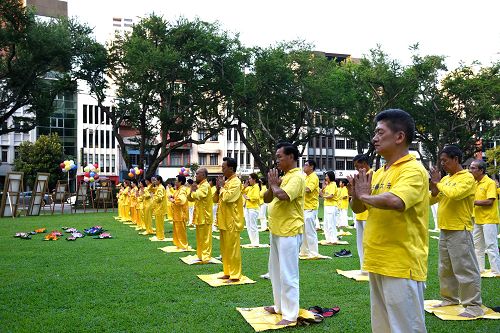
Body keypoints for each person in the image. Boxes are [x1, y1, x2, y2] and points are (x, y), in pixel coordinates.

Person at [349, 109, 429, 332]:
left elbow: (396, 201)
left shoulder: (413, 170)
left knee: (405, 327)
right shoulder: (380, 172)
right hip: (378, 259)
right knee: (382, 325)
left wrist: (365, 195)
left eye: (379, 132)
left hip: (402, 263)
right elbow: (359, 208)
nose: (374, 138)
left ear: (399, 137)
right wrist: (356, 194)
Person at [430, 145, 483, 317]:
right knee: (445, 268)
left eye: (445, 161)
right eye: (441, 161)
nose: (443, 164)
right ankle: (449, 298)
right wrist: (434, 187)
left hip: (460, 229)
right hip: (445, 229)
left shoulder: (467, 178)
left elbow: (455, 194)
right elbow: (433, 200)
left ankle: (474, 305)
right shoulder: (445, 179)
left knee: (465, 268)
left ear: (456, 159)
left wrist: (438, 183)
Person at [263, 142, 305, 326]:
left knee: (288, 274)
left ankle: (290, 314)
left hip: (289, 230)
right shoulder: (285, 176)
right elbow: (267, 198)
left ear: (291, 157)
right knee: (275, 271)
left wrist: (275, 186)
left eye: (280, 156)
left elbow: (284, 196)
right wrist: (271, 186)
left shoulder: (297, 177)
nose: (277, 160)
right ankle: (279, 306)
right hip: (277, 229)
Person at [213, 157, 244, 282]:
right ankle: (227, 272)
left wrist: (221, 188)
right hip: (223, 220)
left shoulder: (236, 182)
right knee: (225, 249)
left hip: (232, 221)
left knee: (233, 249)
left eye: (223, 168)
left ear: (231, 168)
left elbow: (228, 198)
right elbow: (215, 200)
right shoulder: (227, 183)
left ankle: (235, 275)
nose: (222, 170)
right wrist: (217, 189)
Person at [469, 159, 500, 276]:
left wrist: (473, 202)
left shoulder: (490, 183)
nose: (470, 170)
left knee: (491, 245)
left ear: (481, 170)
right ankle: (480, 269)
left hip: (489, 219)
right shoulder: (475, 183)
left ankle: (496, 271)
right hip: (477, 219)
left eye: (473, 168)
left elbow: (490, 202)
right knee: (477, 246)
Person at [188, 168, 214, 262]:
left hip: (205, 216)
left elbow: (199, 195)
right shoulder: (200, 185)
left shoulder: (205, 185)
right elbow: (190, 198)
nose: (196, 176)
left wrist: (193, 191)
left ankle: (206, 257)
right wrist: (192, 190)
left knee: (205, 238)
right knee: (200, 238)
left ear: (203, 175)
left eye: (197, 174)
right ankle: (200, 255)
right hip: (200, 216)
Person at [352, 154, 371, 274]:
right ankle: (363, 268)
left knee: (368, 243)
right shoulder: (359, 177)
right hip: (359, 214)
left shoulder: (373, 175)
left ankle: (369, 268)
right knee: (360, 243)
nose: (356, 169)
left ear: (364, 163)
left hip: (368, 214)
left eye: (357, 166)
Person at [300, 159, 319, 258]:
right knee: (303, 231)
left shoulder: (313, 177)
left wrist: (297, 188)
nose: (304, 166)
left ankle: (314, 253)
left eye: (306, 165)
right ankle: (304, 252)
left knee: (310, 231)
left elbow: (308, 189)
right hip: (304, 207)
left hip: (310, 207)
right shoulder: (305, 177)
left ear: (311, 167)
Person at [170, 175, 189, 250]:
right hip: (176, 214)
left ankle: (183, 245)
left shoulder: (182, 190)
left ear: (180, 182)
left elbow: (182, 200)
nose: (175, 182)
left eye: (176, 181)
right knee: (177, 230)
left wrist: (174, 201)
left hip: (181, 214)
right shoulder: (178, 189)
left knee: (181, 230)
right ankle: (178, 244)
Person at [320, 171, 339, 244]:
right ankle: (328, 239)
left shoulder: (333, 185)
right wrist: (323, 187)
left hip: (332, 206)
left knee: (331, 223)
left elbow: (331, 196)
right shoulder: (328, 185)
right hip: (327, 206)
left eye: (327, 176)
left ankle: (333, 239)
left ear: (330, 177)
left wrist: (324, 196)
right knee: (326, 223)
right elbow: (321, 194)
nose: (325, 178)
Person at [243, 173, 261, 246]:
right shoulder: (250, 187)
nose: (249, 180)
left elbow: (256, 197)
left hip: (253, 208)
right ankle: (252, 241)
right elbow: (243, 191)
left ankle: (256, 242)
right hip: (248, 207)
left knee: (253, 226)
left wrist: (248, 198)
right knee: (248, 225)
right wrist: (244, 187)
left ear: (254, 179)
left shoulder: (256, 187)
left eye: (250, 178)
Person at [151, 175, 166, 241]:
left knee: (159, 223)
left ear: (159, 181)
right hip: (158, 208)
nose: (154, 181)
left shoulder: (160, 188)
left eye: (155, 180)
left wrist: (153, 196)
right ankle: (159, 235)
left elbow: (159, 198)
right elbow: (151, 189)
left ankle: (160, 236)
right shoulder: (158, 187)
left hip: (160, 208)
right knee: (158, 223)